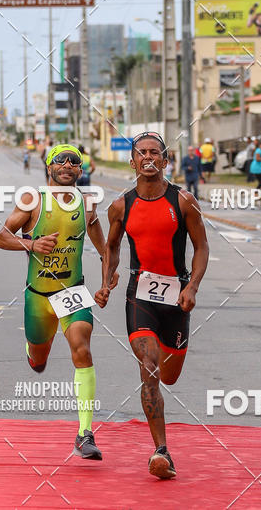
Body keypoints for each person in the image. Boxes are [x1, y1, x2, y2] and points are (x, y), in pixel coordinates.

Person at [96, 132, 209, 480]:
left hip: (177, 297)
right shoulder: (121, 205)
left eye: (154, 152)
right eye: (141, 152)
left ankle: (162, 445)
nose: (147, 157)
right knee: (149, 367)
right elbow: (112, 247)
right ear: (132, 162)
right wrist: (107, 280)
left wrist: (192, 286)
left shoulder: (184, 201)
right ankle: (161, 451)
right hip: (139, 293)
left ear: (164, 159)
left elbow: (202, 247)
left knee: (170, 375)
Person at [0, 143, 117, 461]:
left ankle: (84, 433)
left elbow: (104, 251)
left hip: (71, 291)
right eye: (59, 160)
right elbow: (1, 237)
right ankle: (33, 351)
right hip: (38, 296)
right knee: (39, 360)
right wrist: (32, 244)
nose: (66, 165)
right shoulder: (32, 199)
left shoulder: (87, 204)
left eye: (73, 161)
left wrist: (107, 282)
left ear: (80, 169)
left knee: (82, 346)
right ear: (48, 167)